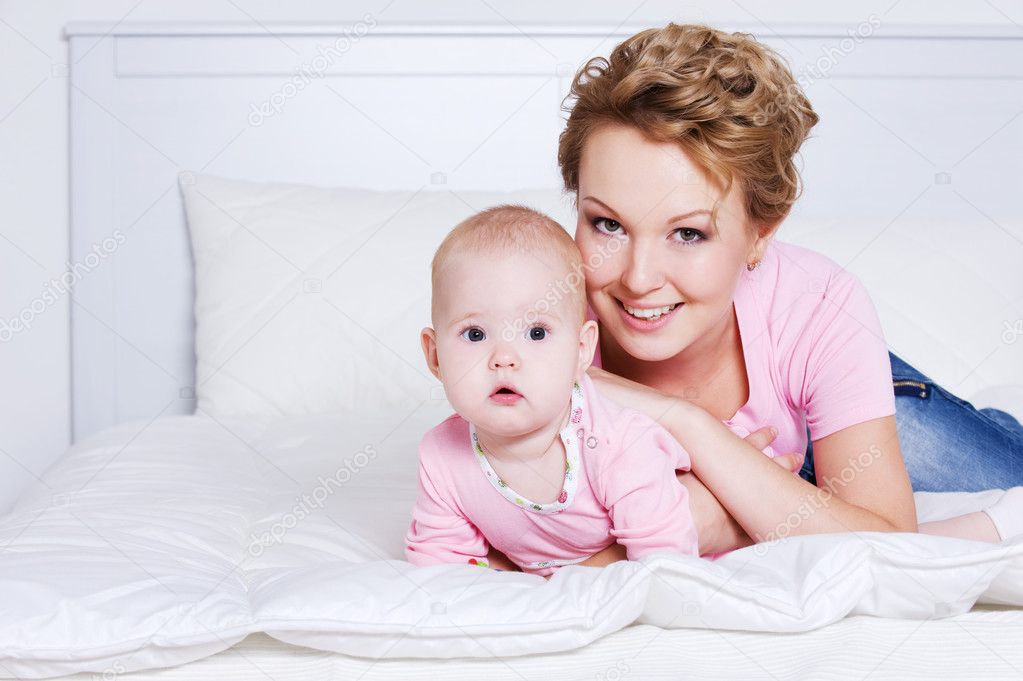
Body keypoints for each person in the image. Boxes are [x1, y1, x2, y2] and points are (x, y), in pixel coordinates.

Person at [539, 23, 1023, 567]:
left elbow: (891, 548)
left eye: (689, 233)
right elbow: (511, 554)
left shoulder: (815, 305)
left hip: (825, 389)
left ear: (761, 231)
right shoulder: (531, 319)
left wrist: (685, 424)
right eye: (607, 225)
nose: (639, 278)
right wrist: (708, 519)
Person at [404, 205, 746, 577]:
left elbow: (663, 565)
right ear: (435, 356)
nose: (503, 358)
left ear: (581, 350)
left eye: (536, 333)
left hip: (693, 524)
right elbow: (442, 569)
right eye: (475, 334)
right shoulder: (441, 457)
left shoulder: (620, 444)